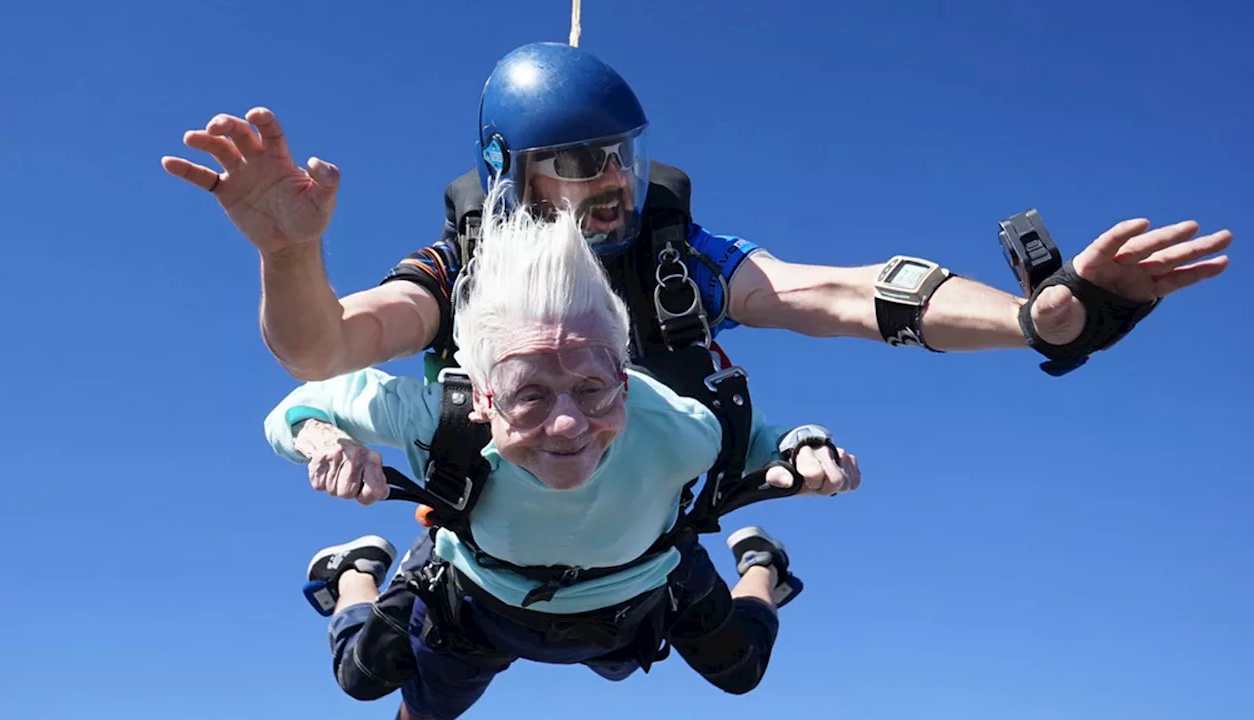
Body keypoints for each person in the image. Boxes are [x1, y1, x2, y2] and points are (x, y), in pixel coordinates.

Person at [162, 42, 1231, 395]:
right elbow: (324, 350)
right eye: (564, 170)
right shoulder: (462, 262)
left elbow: (854, 295)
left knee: (717, 653)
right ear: (503, 179)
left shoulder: (680, 257)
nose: (601, 191)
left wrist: (1040, 319)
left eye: (614, 163)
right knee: (432, 660)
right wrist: (293, 257)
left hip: (643, 535)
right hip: (495, 529)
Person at [262, 189, 857, 719]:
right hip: (479, 597)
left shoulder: (677, 424)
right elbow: (293, 411)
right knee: (363, 678)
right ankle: (353, 574)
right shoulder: (436, 415)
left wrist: (803, 445)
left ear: (624, 381)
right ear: (483, 399)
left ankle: (761, 568)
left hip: (638, 591)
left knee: (741, 671)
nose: (569, 423)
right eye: (530, 394)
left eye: (593, 388)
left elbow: (749, 436)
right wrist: (329, 442)